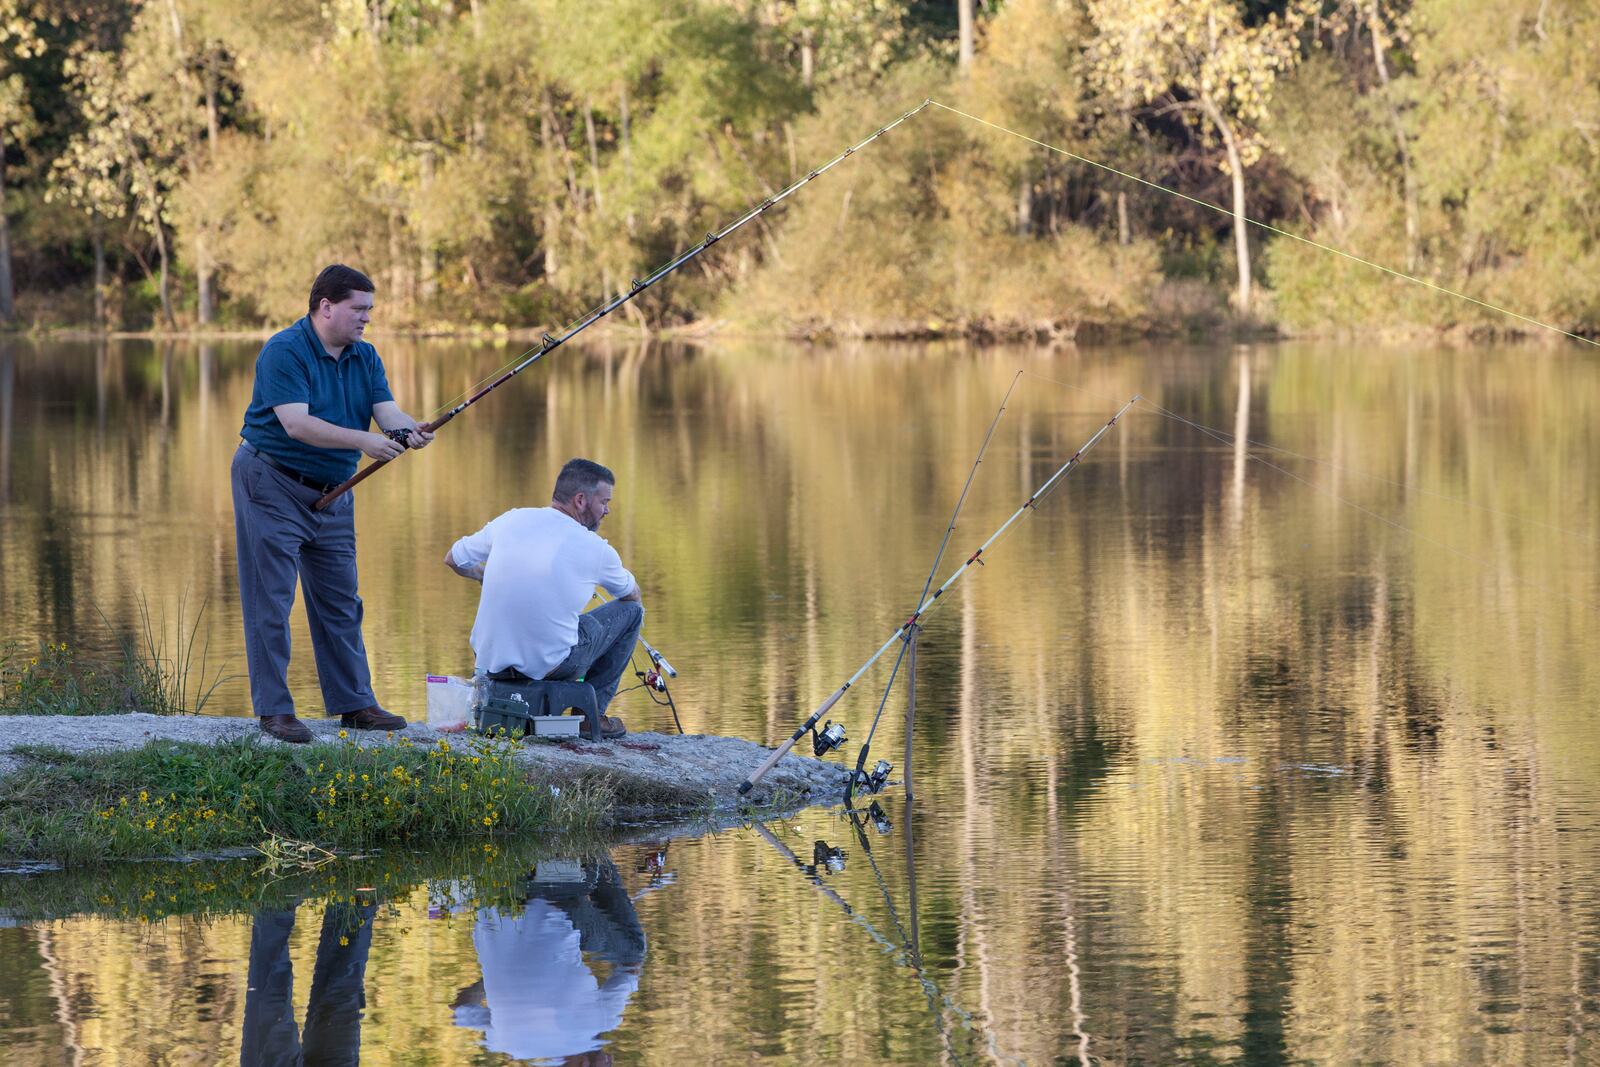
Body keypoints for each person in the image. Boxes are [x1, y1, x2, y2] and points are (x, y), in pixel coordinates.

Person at [232, 264, 433, 743]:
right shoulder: (285, 350)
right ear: (326, 307)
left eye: (369, 310)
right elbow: (297, 424)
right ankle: (275, 711)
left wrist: (407, 430)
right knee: (272, 599)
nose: (366, 318)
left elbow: (387, 412)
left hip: (334, 492)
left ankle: (355, 704)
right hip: (271, 481)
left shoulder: (365, 357)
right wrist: (364, 441)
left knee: (342, 600)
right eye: (358, 309)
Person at [445, 458, 643, 740]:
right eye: (604, 502)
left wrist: (483, 575)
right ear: (580, 500)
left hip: (488, 661)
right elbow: (631, 595)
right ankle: (590, 716)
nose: (607, 510)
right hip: (551, 665)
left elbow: (453, 558)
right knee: (633, 612)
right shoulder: (597, 549)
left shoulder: (511, 519)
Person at [451, 855, 646, 1062]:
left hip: (554, 893)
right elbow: (460, 1010)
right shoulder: (508, 1044)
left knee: (633, 952)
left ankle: (597, 852)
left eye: (606, 1066)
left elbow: (630, 970)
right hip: (495, 896)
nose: (610, 1060)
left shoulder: (599, 1023)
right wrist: (492, 981)